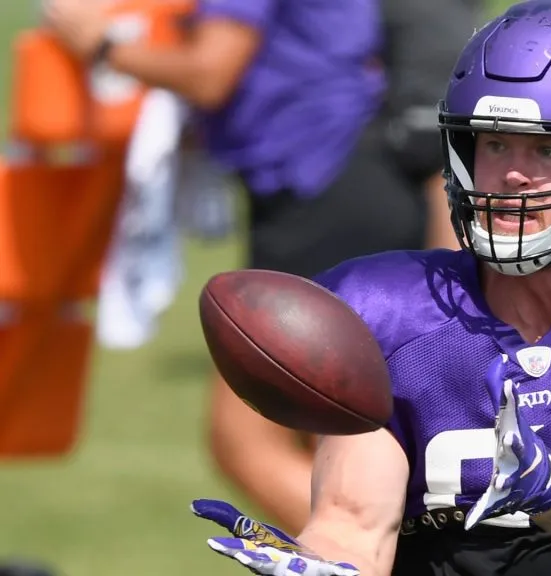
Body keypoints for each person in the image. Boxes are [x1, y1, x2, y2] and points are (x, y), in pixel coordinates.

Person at [190, 1, 551, 574]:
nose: (512, 174)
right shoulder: (386, 311)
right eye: (492, 144)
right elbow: (353, 528)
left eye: (545, 148)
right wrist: (327, 567)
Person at [44, 0, 476, 533]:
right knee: (332, 442)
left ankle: (380, 557)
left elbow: (210, 74)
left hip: (320, 193)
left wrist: (103, 46)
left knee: (245, 439)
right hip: (339, 183)